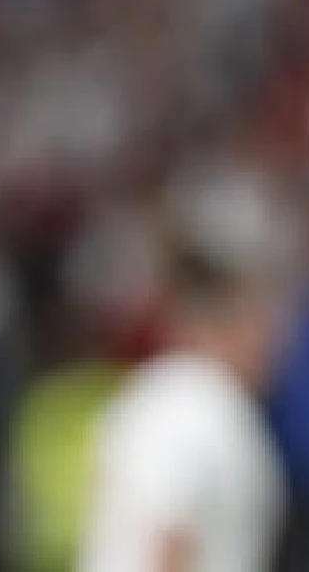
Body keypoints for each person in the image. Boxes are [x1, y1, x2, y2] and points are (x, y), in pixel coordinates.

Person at [77, 174, 296, 572]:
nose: (280, 341)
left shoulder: (177, 397)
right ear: (239, 316)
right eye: (268, 319)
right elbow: (166, 539)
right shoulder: (192, 402)